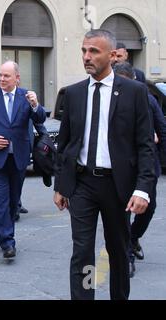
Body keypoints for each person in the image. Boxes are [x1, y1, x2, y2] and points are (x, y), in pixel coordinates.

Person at [53, 30, 156, 300]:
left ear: (112, 55)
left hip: (117, 186)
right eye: (84, 50)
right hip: (82, 184)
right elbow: (65, 146)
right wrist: (61, 185)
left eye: (94, 51)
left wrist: (143, 189)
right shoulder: (73, 93)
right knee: (82, 251)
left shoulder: (135, 92)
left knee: (118, 251)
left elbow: (145, 145)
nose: (87, 57)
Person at [0, 61, 46, 259]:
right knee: (1, 201)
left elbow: (40, 119)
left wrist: (36, 104)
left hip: (20, 157)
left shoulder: (26, 96)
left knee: (14, 202)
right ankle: (7, 242)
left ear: (17, 78)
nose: (2, 79)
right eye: (0, 75)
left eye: (6, 76)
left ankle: (8, 232)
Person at [113, 61, 166, 277]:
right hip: (122, 168)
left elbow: (161, 129)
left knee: (149, 208)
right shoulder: (110, 100)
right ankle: (127, 257)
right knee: (124, 213)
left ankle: (133, 238)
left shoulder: (148, 99)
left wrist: (159, 161)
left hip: (146, 166)